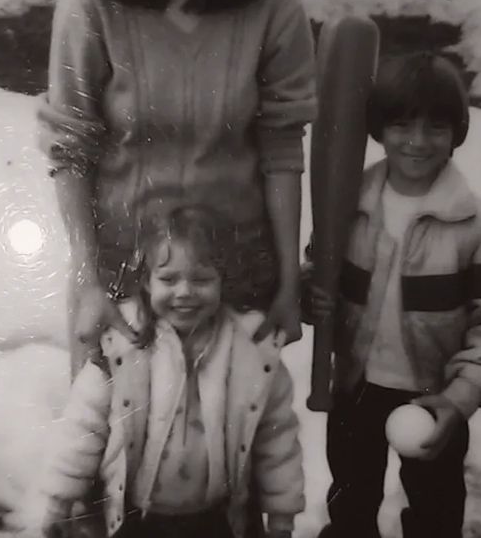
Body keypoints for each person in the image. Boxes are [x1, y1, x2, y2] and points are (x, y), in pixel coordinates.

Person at [37, 0, 317, 374]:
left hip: (236, 289)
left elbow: (283, 151)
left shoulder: (272, 4)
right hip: (121, 290)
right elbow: (70, 153)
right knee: (112, 455)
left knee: (230, 456)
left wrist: (289, 285)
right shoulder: (93, 5)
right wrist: (89, 282)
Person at [303, 51, 481, 538]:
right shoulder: (347, 205)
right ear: (379, 128)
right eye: (403, 125)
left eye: (435, 128)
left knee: (435, 513)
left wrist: (459, 398)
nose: (418, 142)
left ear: (457, 133)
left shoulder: (476, 225)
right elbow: (319, 277)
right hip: (355, 389)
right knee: (350, 501)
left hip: (434, 397)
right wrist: (310, 295)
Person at [40, 204, 305, 538]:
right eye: (168, 278)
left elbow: (277, 439)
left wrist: (283, 516)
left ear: (224, 279)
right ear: (147, 282)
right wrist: (57, 503)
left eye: (202, 279)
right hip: (140, 521)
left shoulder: (253, 353)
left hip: (214, 520)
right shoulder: (121, 346)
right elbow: (82, 427)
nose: (184, 292)